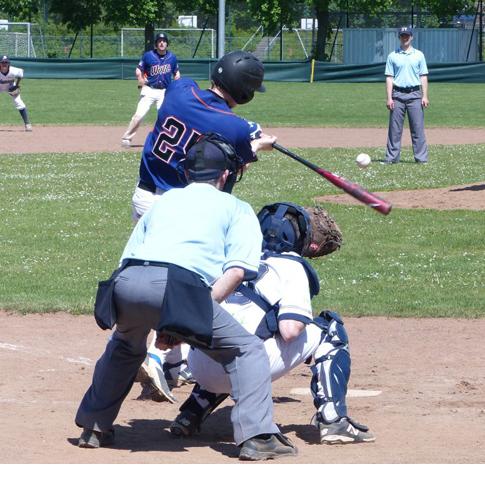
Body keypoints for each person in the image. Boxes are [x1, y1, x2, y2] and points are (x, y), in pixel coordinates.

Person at [75, 133, 298, 461]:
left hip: (125, 282)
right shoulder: (237, 207)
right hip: (176, 287)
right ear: (224, 175)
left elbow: (128, 260)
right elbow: (236, 272)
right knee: (247, 350)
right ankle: (258, 436)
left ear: (187, 173)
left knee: (125, 345)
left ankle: (94, 426)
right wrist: (184, 319)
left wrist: (177, 319)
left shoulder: (164, 201)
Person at [126, 50, 273, 404]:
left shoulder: (180, 90)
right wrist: (258, 143)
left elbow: (203, 113)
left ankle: (173, 366)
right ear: (245, 92)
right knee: (191, 285)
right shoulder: (235, 127)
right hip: (180, 209)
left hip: (144, 199)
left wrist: (246, 136)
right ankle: (158, 354)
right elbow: (235, 159)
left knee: (158, 282)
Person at [167, 202, 375, 445]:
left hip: (199, 365)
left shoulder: (234, 258)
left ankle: (191, 413)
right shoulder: (292, 266)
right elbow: (289, 331)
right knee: (329, 331)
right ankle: (334, 420)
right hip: (244, 365)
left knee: (231, 333)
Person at [121, 33, 181, 147]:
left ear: (167, 43)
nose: (162, 43)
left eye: (164, 41)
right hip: (149, 89)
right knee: (139, 115)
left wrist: (177, 80)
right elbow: (139, 69)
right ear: (156, 43)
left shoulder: (172, 57)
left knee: (166, 117)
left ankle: (166, 140)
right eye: (159, 41)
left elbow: (176, 72)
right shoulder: (148, 56)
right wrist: (140, 78)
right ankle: (126, 138)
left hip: (164, 92)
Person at [385, 25, 429, 164]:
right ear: (399, 37)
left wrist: (425, 95)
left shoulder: (419, 55)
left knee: (417, 129)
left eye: (407, 35)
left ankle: (421, 159)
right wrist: (389, 98)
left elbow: (423, 76)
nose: (405, 38)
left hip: (414, 94)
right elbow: (389, 78)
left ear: (411, 37)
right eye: (402, 36)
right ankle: (392, 158)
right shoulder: (392, 56)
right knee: (395, 129)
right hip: (397, 94)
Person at [0, 55, 32, 131]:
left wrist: (16, 85)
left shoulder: (13, 70)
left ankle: (27, 124)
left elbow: (21, 73)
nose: (4, 64)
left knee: (19, 103)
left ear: (8, 64)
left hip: (10, 87)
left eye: (6, 62)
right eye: (2, 62)